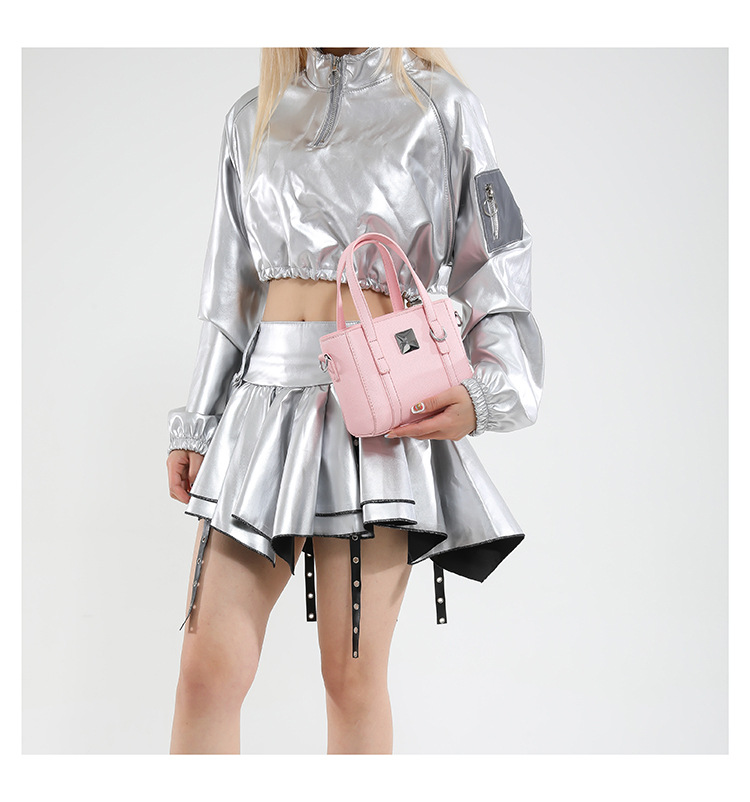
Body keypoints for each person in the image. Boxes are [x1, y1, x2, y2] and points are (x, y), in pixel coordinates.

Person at [165, 47, 545, 755]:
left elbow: (497, 263)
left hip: (376, 416)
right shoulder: (252, 116)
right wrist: (198, 420)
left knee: (351, 681)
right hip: (260, 412)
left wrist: (488, 392)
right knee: (205, 674)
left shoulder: (442, 107)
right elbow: (229, 293)